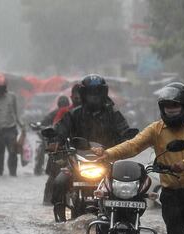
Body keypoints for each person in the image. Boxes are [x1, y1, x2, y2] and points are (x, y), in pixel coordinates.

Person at [95, 82, 184, 234]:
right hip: (171, 196)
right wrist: (107, 153)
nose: (171, 109)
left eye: (175, 105)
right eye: (167, 106)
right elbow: (133, 145)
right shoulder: (156, 129)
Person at [50, 74, 130, 220]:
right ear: (84, 94)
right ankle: (60, 221)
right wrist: (55, 141)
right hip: (78, 161)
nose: (94, 96)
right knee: (59, 182)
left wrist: (128, 139)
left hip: (107, 160)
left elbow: (125, 131)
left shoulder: (113, 115)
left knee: (125, 186)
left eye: (98, 92)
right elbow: (60, 132)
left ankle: (123, 222)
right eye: (91, 93)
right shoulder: (74, 114)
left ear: (103, 94)